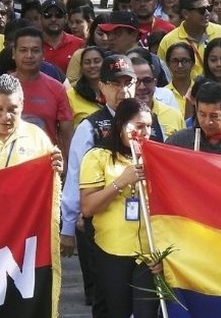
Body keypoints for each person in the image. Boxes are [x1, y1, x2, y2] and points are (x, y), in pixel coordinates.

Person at [62, 55, 149, 314]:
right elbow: (75, 178)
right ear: (102, 86)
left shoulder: (148, 124)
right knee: (105, 301)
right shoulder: (89, 126)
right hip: (100, 229)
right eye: (114, 83)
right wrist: (67, 226)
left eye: (128, 82)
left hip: (146, 238)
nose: (123, 90)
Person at [80, 98, 162, 318]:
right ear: (121, 126)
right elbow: (88, 208)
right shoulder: (98, 156)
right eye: (139, 126)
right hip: (112, 251)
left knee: (147, 313)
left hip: (149, 252)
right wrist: (120, 182)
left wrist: (163, 250)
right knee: (118, 312)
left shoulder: (158, 157)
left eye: (149, 126)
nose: (145, 132)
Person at [11, 27, 74, 157]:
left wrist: (68, 166)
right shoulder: (1, 87)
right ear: (13, 53)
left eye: (35, 50)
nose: (29, 55)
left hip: (46, 163)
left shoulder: (57, 88)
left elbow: (67, 134)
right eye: (23, 50)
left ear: (43, 54)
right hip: (9, 164)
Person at [157, 0, 221, 80]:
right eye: (202, 10)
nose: (207, 13)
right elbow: (163, 77)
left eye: (209, 8)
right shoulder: (168, 41)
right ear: (186, 13)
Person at [131, 56, 184, 138]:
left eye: (147, 80)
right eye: (136, 82)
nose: (142, 87)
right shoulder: (118, 116)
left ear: (155, 82)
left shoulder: (174, 115)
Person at [40, 0, 85, 73]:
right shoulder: (32, 45)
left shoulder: (79, 44)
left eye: (58, 15)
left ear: (66, 18)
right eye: (47, 15)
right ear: (41, 18)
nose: (53, 19)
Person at [66, 46, 104, 126]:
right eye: (87, 62)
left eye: (97, 61)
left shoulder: (113, 91)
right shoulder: (70, 95)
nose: (92, 65)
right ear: (81, 67)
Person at [164, 42, 196, 120]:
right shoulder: (162, 95)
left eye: (184, 61)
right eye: (175, 61)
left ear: (192, 63)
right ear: (168, 64)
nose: (180, 66)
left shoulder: (200, 90)